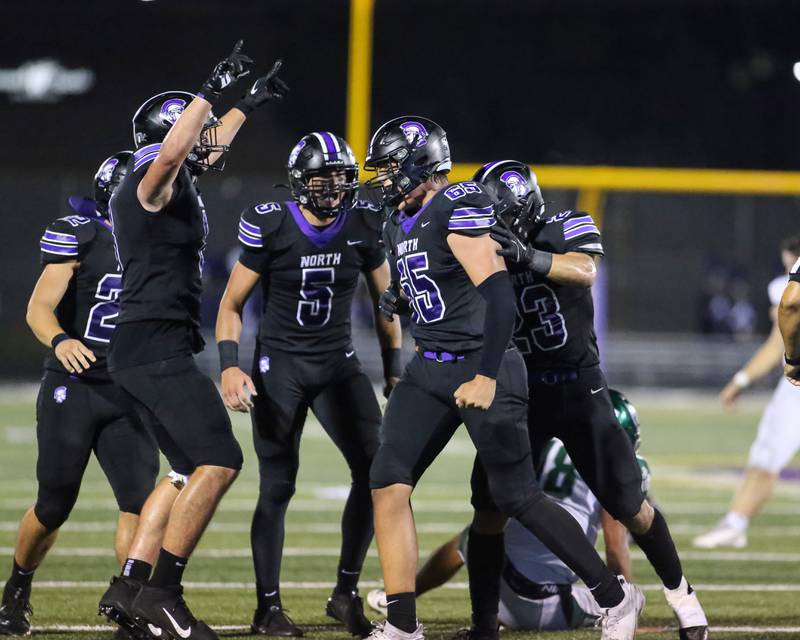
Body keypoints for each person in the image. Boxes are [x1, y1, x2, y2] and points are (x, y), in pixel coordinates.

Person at [364, 117, 643, 640]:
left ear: (419, 164)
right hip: (430, 365)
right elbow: (435, 282)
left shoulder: (456, 204)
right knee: (387, 480)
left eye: (388, 167)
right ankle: (403, 624)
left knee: (515, 497)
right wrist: (402, 297)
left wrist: (488, 375)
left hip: (482, 361)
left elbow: (496, 295)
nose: (381, 180)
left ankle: (614, 596)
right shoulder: (396, 219)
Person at [468, 160, 707, 640]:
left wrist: (529, 256)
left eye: (500, 214)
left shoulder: (565, 225)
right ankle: (483, 626)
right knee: (489, 505)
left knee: (630, 505)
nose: (492, 224)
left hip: (578, 386)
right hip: (523, 390)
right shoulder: (482, 245)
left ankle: (685, 601)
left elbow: (585, 269)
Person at [98, 42, 289, 640]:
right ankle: (163, 593)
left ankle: (130, 587)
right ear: (169, 133)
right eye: (198, 129)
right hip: (153, 347)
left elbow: (199, 148)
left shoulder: (170, 178)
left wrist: (245, 106)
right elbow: (179, 150)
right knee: (222, 460)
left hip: (146, 346)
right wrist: (209, 91)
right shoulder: (146, 182)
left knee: (183, 468)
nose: (211, 142)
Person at [215, 132, 401, 637]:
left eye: (342, 178)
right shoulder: (272, 222)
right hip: (282, 367)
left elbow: (387, 303)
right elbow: (230, 305)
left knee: (377, 472)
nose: (334, 189)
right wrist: (230, 365)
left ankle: (345, 593)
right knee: (278, 485)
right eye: (323, 179)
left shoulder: (363, 223)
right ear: (301, 180)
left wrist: (395, 368)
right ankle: (267, 610)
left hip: (338, 364)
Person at [0, 154, 159, 636]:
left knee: (138, 501)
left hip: (129, 388)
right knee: (54, 504)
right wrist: (60, 339)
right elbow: (39, 306)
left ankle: (129, 603)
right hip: (75, 383)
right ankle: (15, 591)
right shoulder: (83, 233)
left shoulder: (161, 241)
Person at [367, 390, 650, 632]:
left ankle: (404, 596)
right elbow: (615, 548)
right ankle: (622, 609)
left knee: (477, 534)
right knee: (624, 599)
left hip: (495, 584)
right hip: (543, 604)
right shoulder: (614, 465)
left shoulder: (547, 440)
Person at [694, 235, 800, 549]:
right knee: (766, 454)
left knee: (768, 454)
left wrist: (743, 380)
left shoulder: (786, 284)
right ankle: (736, 522)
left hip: (797, 383)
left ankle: (736, 522)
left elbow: (781, 331)